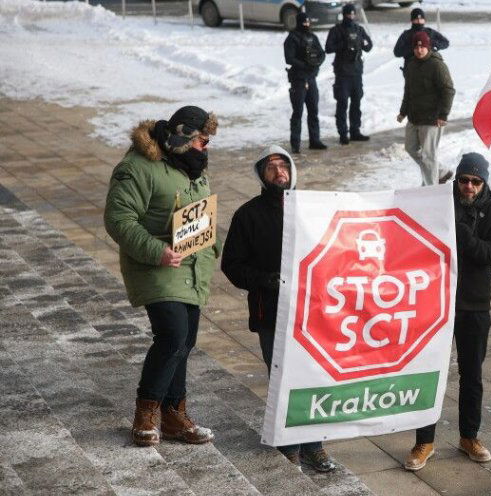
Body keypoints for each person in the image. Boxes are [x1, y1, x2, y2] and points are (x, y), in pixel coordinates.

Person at [104, 105, 219, 447]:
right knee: (172, 334)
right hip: (155, 262)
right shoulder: (137, 167)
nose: (206, 146)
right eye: (202, 139)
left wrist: (214, 249)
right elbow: (119, 219)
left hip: (192, 265)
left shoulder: (194, 166)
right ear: (183, 136)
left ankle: (174, 414)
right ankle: (146, 411)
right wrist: (157, 251)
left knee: (186, 341)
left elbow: (201, 215)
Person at [221, 146, 336, 472]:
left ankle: (315, 446)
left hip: (314, 312)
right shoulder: (249, 214)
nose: (278, 170)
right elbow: (232, 265)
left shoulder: (312, 209)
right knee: (283, 379)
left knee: (315, 378)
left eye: (283, 164)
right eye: (270, 166)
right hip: (271, 312)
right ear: (261, 175)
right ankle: (289, 446)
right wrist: (265, 280)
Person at [404, 153, 491, 471]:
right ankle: (425, 441)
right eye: (463, 180)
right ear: (456, 180)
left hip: (474, 306)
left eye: (476, 181)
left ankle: (469, 436)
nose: (469, 187)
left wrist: (463, 234)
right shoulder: (438, 205)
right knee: (431, 374)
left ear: (484, 183)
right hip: (437, 302)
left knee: (471, 375)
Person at [398, 31, 455, 186]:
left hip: (432, 118)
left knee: (429, 155)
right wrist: (403, 111)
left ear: (428, 47)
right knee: (410, 148)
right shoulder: (411, 65)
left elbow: (448, 90)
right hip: (414, 117)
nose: (419, 50)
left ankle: (430, 189)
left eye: (422, 47)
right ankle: (442, 172)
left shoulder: (437, 65)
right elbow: (408, 91)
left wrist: (443, 115)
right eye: (416, 47)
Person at [325, 4, 372, 145]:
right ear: (344, 15)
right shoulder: (336, 30)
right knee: (343, 103)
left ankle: (355, 131)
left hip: (356, 72)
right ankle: (343, 133)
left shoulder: (359, 29)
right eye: (348, 15)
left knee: (356, 102)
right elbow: (328, 48)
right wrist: (343, 44)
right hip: (342, 73)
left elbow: (369, 46)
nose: (350, 17)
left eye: (352, 15)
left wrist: (361, 42)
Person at [284, 10, 327, 153]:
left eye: (308, 22)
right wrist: (305, 65)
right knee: (298, 112)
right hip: (298, 80)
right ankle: (295, 144)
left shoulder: (313, 37)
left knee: (313, 110)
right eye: (304, 22)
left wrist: (316, 63)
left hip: (311, 78)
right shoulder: (292, 38)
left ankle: (315, 140)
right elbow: (289, 58)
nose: (307, 24)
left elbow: (321, 53)